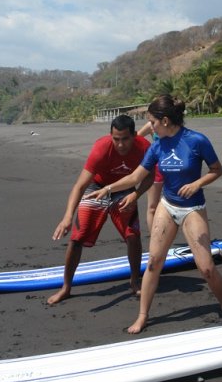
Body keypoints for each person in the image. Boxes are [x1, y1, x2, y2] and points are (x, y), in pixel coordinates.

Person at [87, 95, 222, 334]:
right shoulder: (157, 146)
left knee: (206, 267)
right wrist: (107, 189)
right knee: (155, 261)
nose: (150, 127)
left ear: (165, 121)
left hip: (192, 209)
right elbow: (136, 178)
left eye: (152, 122)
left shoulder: (197, 141)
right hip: (167, 206)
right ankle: (143, 316)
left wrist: (197, 184)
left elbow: (217, 170)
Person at [48, 114, 154, 305]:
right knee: (77, 237)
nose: (120, 145)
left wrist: (136, 195)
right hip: (97, 188)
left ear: (134, 135)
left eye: (125, 139)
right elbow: (80, 185)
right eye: (116, 139)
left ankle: (134, 281)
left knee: (133, 235)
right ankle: (66, 287)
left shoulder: (144, 148)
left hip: (124, 189)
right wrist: (67, 217)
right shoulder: (102, 148)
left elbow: (149, 177)